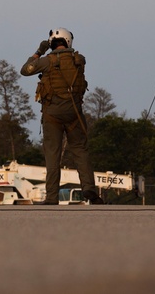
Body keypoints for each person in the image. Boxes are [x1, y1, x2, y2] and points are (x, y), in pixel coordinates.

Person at [20, 28, 101, 205]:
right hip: (74, 113)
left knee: (53, 155)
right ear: (68, 41)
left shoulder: (46, 61)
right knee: (80, 150)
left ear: (51, 43)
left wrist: (39, 51)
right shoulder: (80, 60)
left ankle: (51, 197)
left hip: (52, 115)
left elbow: (25, 70)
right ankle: (89, 188)